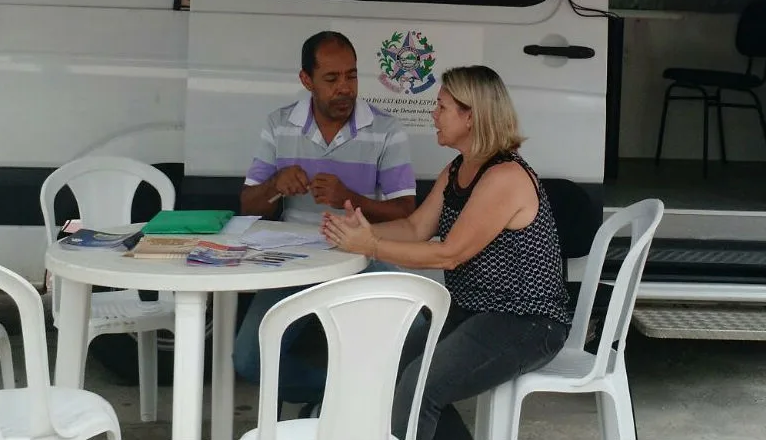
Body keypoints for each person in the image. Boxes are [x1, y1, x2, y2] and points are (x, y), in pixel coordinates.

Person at [322, 65, 570, 440]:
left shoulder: (505, 177)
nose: (433, 115)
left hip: (526, 320)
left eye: (441, 107)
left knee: (418, 388)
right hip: (474, 311)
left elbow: (449, 254)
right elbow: (415, 228)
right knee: (392, 370)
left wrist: (369, 246)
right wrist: (360, 232)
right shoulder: (459, 168)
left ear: (470, 116)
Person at [234, 30, 417, 409]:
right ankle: (343, 398)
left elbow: (406, 213)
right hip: (294, 259)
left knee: (414, 330)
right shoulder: (279, 124)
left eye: (351, 76)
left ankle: (356, 403)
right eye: (331, 79)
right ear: (306, 80)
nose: (345, 89)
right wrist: (275, 186)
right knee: (250, 359)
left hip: (359, 254)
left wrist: (348, 197)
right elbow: (248, 207)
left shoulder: (387, 130)